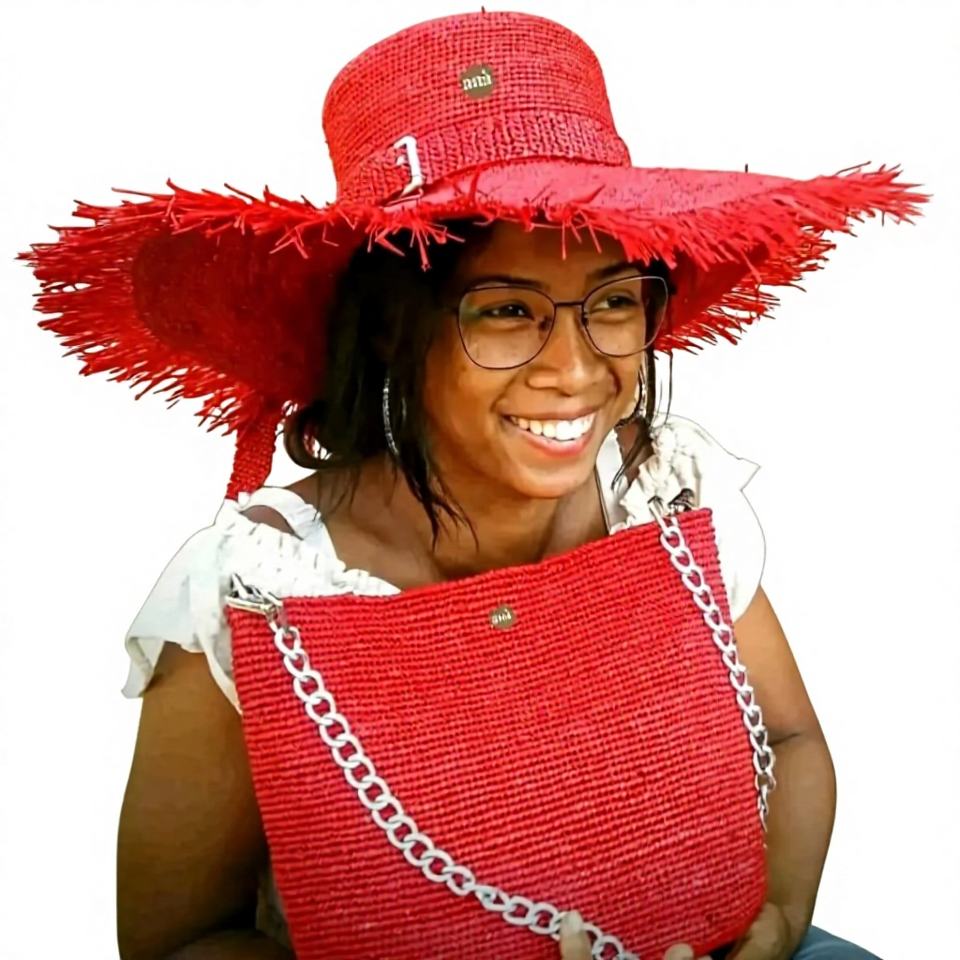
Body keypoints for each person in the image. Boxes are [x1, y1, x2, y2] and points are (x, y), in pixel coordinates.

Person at [19, 10, 925, 960]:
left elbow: (790, 741)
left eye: (614, 302)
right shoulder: (257, 591)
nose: (576, 371)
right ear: (390, 331)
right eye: (504, 311)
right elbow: (177, 940)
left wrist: (776, 922)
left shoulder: (666, 497)